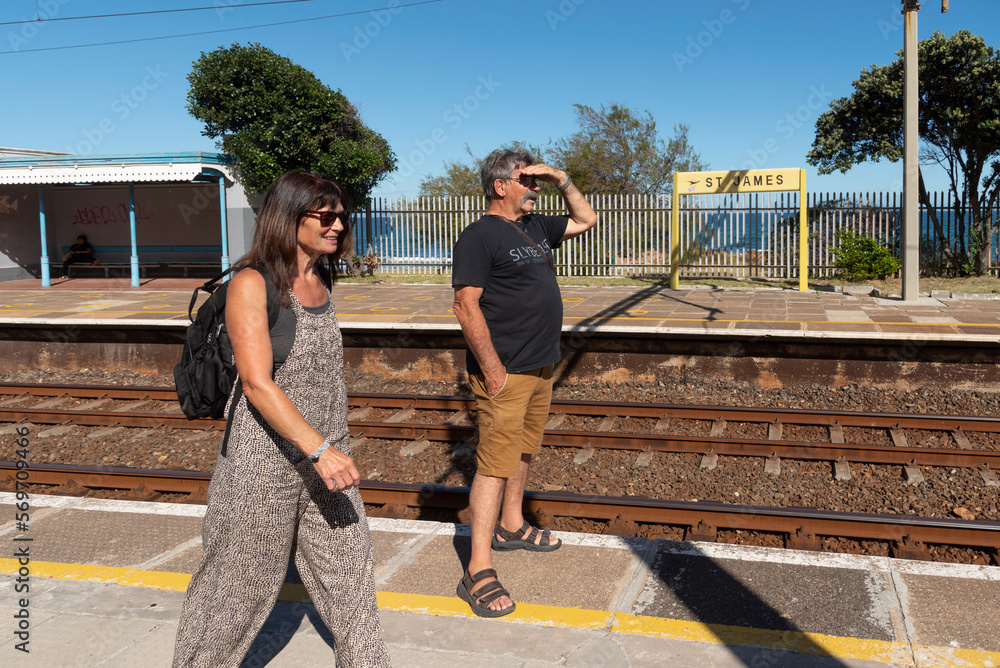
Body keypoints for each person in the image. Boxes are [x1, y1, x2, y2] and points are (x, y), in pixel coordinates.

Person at [172, 171, 390, 667]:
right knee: (237, 592)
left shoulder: (320, 277)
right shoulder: (252, 283)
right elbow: (256, 383)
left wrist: (330, 448)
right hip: (263, 464)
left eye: (341, 215)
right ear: (290, 216)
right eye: (325, 215)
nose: (337, 225)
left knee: (352, 583)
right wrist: (320, 449)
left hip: (327, 456)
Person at [451, 148, 598, 617]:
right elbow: (465, 305)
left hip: (540, 364)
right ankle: (478, 568)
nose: (535, 189)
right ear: (500, 186)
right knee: (494, 463)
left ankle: (512, 524)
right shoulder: (478, 236)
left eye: (537, 182)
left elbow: (586, 218)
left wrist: (561, 178)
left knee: (523, 450)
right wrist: (492, 368)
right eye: (527, 181)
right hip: (507, 369)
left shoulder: (534, 228)